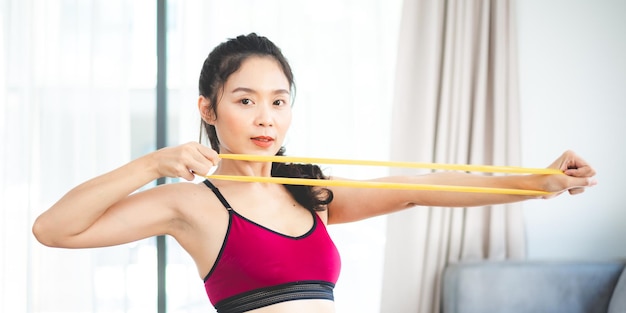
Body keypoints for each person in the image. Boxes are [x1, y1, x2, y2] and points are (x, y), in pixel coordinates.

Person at [32, 33, 597, 313]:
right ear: (209, 109)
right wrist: (154, 163)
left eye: (279, 101)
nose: (265, 117)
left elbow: (421, 188)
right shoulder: (191, 206)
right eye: (246, 100)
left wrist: (537, 184)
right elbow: (54, 229)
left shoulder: (308, 190)